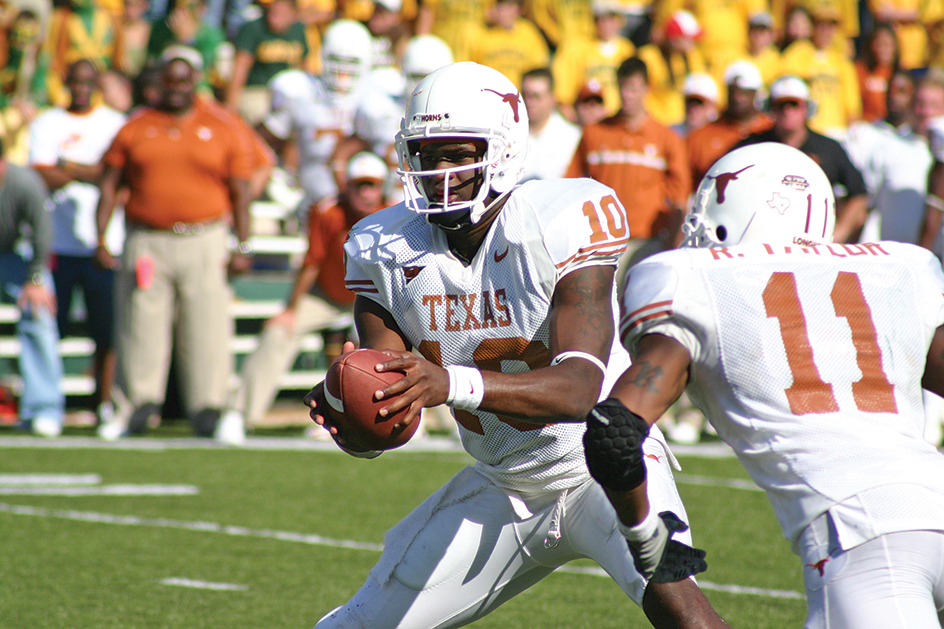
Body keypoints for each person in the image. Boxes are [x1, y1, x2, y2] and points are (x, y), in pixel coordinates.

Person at [304, 61, 726, 629]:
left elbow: (580, 389)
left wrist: (447, 384)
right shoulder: (386, 247)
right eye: (428, 155)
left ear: (502, 151)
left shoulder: (558, 220)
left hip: (602, 465)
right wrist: (354, 416)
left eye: (458, 153)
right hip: (504, 485)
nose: (440, 172)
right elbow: (388, 400)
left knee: (683, 612)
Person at [585, 140, 944, 629]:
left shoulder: (697, 281)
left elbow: (614, 432)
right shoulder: (897, 270)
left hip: (862, 538)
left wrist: (645, 535)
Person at [94, 48, 253, 440]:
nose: (177, 89)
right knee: (138, 330)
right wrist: (101, 236)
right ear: (158, 83)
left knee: (208, 332)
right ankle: (131, 411)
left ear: (195, 81)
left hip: (204, 238)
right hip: (146, 239)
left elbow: (240, 189)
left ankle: (210, 412)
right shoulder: (135, 126)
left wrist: (243, 244)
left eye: (184, 81)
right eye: (170, 81)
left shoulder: (221, 125)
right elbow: (110, 184)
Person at [221, 152, 390, 444]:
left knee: (412, 338)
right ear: (346, 186)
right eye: (359, 185)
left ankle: (438, 418)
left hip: (376, 298)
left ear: (381, 188)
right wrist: (290, 309)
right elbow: (312, 261)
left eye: (371, 186)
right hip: (326, 296)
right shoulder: (327, 212)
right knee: (277, 332)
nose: (366, 193)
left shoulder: (395, 214)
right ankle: (239, 413)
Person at [29, 59, 127, 436]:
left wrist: (68, 165)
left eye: (89, 82)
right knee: (51, 330)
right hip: (58, 243)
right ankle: (46, 404)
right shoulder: (47, 122)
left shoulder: (115, 124)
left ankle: (103, 403)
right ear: (65, 81)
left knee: (106, 331)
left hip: (103, 244)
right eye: (76, 81)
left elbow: (115, 175)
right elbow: (41, 175)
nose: (82, 88)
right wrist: (92, 171)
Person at [567, 56, 691, 274]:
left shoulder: (666, 139)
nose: (626, 95)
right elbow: (571, 186)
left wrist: (669, 244)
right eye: (622, 87)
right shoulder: (594, 134)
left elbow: (679, 197)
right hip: (600, 245)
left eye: (633, 88)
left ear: (647, 89)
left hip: (646, 244)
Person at [735, 75, 868, 243]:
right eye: (781, 105)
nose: (787, 111)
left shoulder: (829, 148)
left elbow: (859, 194)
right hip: (760, 238)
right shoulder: (752, 146)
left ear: (808, 108)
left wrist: (838, 234)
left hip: (813, 241)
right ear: (771, 107)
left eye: (794, 104)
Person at [259, 19, 373, 213]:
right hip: (313, 203)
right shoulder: (301, 91)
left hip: (367, 205)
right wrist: (277, 177)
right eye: (336, 60)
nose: (342, 69)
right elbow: (258, 141)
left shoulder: (377, 97)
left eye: (351, 62)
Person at [0, 140, 65, 438]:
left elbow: (42, 231)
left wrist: (36, 279)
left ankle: (44, 408)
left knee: (38, 313)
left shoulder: (24, 182)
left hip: (16, 255)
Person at [686, 60, 771, 187]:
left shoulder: (771, 131)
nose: (737, 98)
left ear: (756, 94)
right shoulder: (701, 136)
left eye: (744, 93)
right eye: (733, 92)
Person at [225, 0, 308, 125]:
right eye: (274, 10)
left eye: (283, 12)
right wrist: (229, 113)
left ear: (293, 14)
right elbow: (239, 71)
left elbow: (303, 70)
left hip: (284, 94)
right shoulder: (253, 28)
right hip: (257, 91)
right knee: (267, 120)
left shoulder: (298, 31)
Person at [552, 0, 636, 122]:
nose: (607, 24)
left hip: (619, 122)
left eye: (611, 18)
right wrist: (577, 123)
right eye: (602, 19)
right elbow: (563, 98)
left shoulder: (627, 50)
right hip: (587, 122)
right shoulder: (576, 48)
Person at [467, 0, 549, 90]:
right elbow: (469, 68)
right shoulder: (482, 33)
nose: (504, 11)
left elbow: (539, 67)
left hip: (520, 95)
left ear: (519, 9)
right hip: (490, 93)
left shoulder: (529, 33)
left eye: (509, 6)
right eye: (501, 6)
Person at [520, 67, 581, 181]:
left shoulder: (572, 136)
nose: (529, 102)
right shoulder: (510, 135)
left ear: (552, 98)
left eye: (536, 96)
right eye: (525, 95)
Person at [670, 72, 719, 139]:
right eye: (690, 102)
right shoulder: (672, 134)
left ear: (712, 106)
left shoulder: (720, 137)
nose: (693, 109)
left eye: (699, 103)